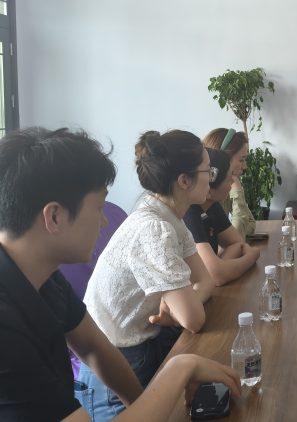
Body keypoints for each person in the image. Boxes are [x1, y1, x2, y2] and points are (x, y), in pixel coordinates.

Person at [0, 127, 239, 421]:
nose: (104, 221)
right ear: (54, 216)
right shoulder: (6, 329)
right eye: (99, 207)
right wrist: (181, 368)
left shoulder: (43, 278)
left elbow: (94, 347)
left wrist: (146, 406)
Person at [79, 130, 217, 419]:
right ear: (184, 181)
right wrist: (183, 308)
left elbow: (206, 281)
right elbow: (193, 318)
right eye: (208, 170)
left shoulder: (170, 218)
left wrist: (180, 305)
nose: (212, 177)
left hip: (141, 346)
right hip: (113, 366)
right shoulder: (154, 228)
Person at [183, 148, 260, 285]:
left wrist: (219, 267)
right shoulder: (189, 213)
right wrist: (252, 256)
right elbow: (217, 277)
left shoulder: (211, 205)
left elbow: (237, 243)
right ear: (209, 189)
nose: (232, 183)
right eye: (229, 179)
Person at [202, 128, 256, 235]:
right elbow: (238, 234)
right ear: (223, 159)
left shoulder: (223, 189)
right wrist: (237, 192)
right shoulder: (207, 196)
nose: (245, 166)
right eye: (241, 160)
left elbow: (250, 224)